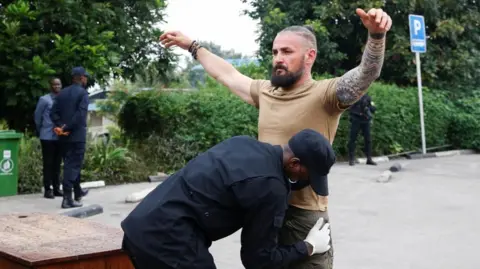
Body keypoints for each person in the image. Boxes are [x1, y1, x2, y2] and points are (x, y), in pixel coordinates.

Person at [160, 7, 392, 269]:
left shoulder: (325, 94)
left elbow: (365, 74)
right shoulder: (266, 91)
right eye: (275, 52)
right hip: (264, 211)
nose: (278, 58)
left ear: (310, 56)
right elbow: (226, 74)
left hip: (303, 216)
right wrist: (192, 46)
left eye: (287, 52)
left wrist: (375, 37)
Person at [121, 129, 335, 269]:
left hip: (140, 226)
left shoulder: (242, 143)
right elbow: (258, 260)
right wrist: (308, 246)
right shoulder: (271, 189)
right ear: (295, 164)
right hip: (168, 242)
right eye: (308, 175)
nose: (306, 182)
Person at [50, 66, 90, 208]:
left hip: (63, 137)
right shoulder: (83, 94)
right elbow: (80, 116)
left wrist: (60, 127)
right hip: (76, 136)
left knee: (72, 165)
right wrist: (66, 127)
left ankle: (77, 193)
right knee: (71, 167)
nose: (86, 79)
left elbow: (53, 113)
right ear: (81, 78)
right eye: (85, 77)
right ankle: (67, 199)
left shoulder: (62, 93)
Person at [34, 77, 64, 199]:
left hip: (59, 136)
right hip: (47, 136)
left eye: (58, 84)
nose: (56, 87)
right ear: (50, 86)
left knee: (57, 163)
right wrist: (41, 128)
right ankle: (48, 189)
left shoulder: (63, 99)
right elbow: (37, 116)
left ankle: (57, 188)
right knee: (48, 163)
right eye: (54, 85)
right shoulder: (44, 99)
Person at [348, 93, 377, 166]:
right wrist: (358, 111)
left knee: (368, 140)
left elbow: (372, 109)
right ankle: (351, 159)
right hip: (356, 119)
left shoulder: (367, 97)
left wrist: (370, 108)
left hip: (365, 120)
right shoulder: (355, 96)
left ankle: (369, 159)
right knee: (353, 139)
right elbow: (349, 107)